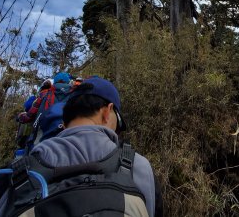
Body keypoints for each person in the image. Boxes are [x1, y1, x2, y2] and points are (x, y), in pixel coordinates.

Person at [29, 76, 163, 217]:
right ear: (107, 112)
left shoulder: (22, 171)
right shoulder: (139, 168)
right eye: (118, 123)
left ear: (64, 120)